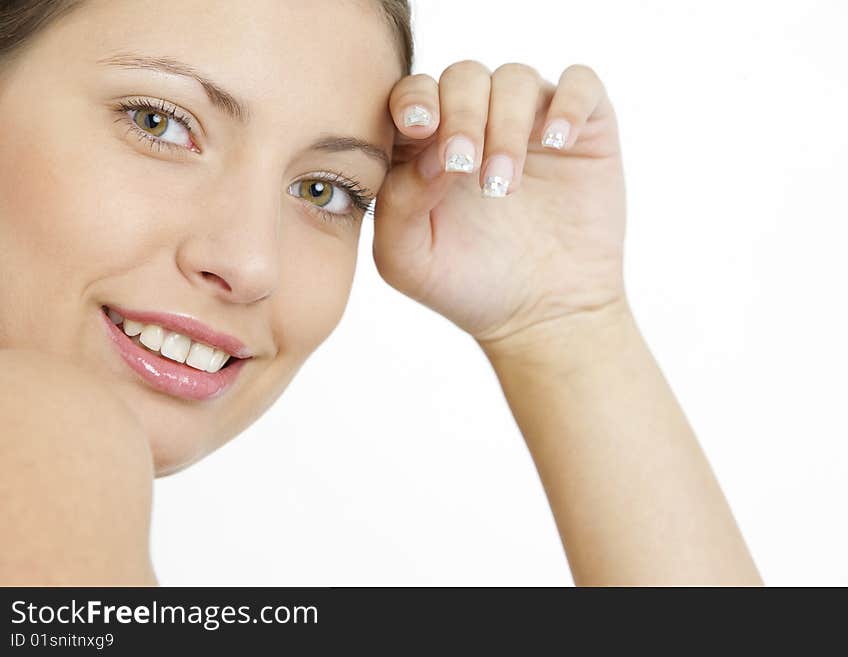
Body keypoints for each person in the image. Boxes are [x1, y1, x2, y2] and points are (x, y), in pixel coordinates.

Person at [0, 0, 762, 586]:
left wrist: (560, 320)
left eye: (324, 189)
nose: (252, 260)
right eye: (159, 121)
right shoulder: (44, 423)